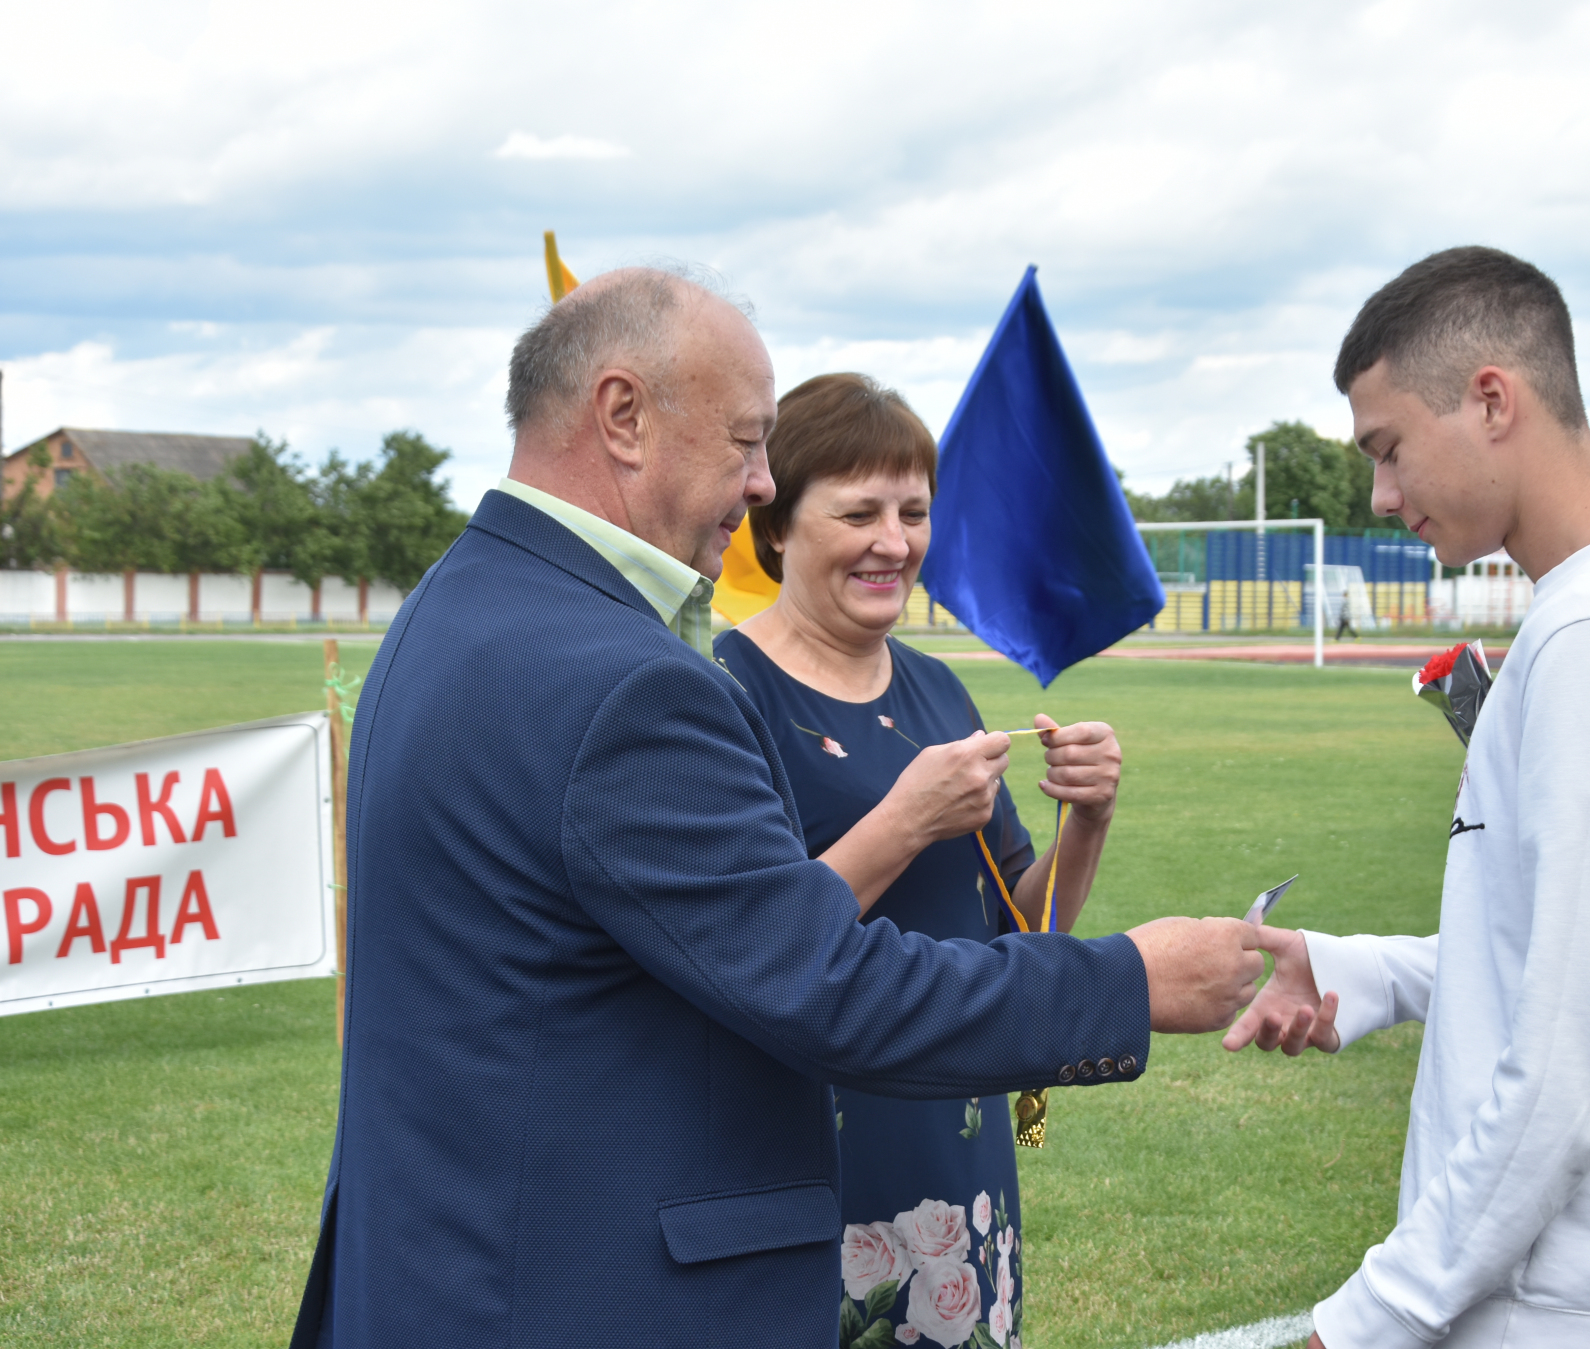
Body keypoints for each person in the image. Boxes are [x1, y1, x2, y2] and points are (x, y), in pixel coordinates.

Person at [288, 267, 1265, 1348]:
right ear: (622, 415)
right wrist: (1128, 980)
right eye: (747, 442)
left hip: (453, 1272)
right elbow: (823, 979)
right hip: (574, 1290)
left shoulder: (454, 606)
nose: (758, 483)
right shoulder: (629, 680)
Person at [1223, 246, 1590, 1348]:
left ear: (1490, 400)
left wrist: (1372, 1314)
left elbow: (1576, 1049)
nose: (1381, 495)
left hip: (1564, 1302)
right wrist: (1359, 968)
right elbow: (1580, 957)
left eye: (1388, 449)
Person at [713, 370, 1123, 1347]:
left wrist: (1088, 817)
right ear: (777, 524)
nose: (893, 542)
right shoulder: (724, 693)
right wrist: (904, 818)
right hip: (803, 1151)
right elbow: (752, 943)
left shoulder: (940, 690)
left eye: (913, 511)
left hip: (960, 1145)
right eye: (859, 512)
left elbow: (1025, 923)